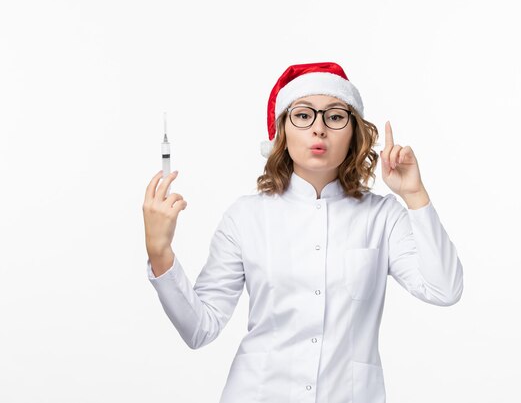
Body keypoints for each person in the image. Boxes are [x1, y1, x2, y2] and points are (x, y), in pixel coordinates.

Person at [142, 62, 464, 403]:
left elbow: (444, 290)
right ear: (282, 131)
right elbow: (199, 329)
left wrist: (415, 195)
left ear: (354, 131)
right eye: (303, 116)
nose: (319, 129)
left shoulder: (381, 216)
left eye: (335, 116)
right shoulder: (246, 217)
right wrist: (159, 252)